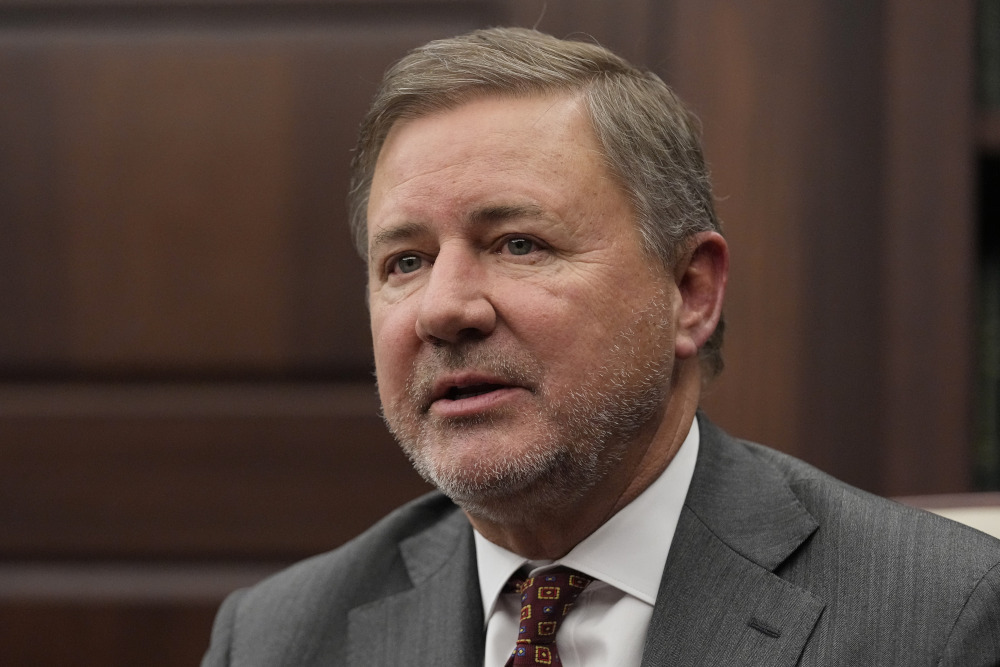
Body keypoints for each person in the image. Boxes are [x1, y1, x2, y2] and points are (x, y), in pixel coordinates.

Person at [202, 27, 1000, 666]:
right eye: (404, 261)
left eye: (518, 243)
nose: (443, 308)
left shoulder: (939, 615)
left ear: (690, 291)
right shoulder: (279, 637)